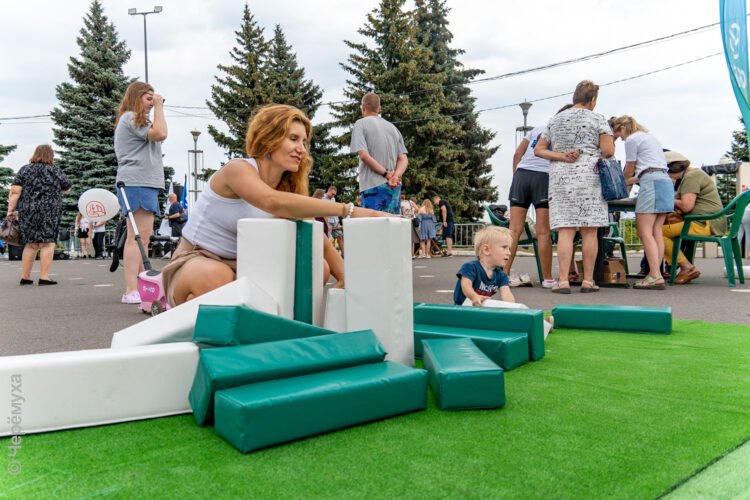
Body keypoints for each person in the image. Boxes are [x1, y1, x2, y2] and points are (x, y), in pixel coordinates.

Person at [162, 104, 389, 306]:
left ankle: (273, 328)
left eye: (304, 142)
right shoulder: (237, 169)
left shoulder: (288, 187)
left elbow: (314, 233)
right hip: (198, 259)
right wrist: (348, 210)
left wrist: (343, 276)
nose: (302, 149)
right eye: (293, 139)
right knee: (216, 277)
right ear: (269, 138)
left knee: (318, 268)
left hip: (247, 266)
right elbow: (271, 201)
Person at [534, 80, 615, 293]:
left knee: (565, 230)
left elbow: (539, 149)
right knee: (589, 231)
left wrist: (562, 155)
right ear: (593, 99)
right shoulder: (597, 118)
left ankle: (562, 281)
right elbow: (608, 151)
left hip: (560, 177)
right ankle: (588, 280)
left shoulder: (556, 119)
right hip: (589, 177)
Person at [505, 106, 575, 289]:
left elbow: (517, 153)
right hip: (543, 177)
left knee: (514, 229)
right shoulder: (565, 132)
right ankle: (547, 278)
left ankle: (503, 275)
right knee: (543, 231)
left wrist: (516, 175)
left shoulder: (537, 129)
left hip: (522, 175)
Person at [114, 81, 167, 304]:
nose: (152, 103)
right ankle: (130, 289)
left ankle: (140, 286)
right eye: (148, 98)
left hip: (145, 183)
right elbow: (161, 133)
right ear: (137, 98)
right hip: (136, 182)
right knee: (136, 238)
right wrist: (160, 107)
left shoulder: (139, 121)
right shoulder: (130, 118)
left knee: (143, 238)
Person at [610, 115, 673, 290]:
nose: (621, 140)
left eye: (618, 136)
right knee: (656, 231)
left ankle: (654, 276)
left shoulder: (632, 139)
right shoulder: (650, 137)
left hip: (651, 183)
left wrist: (619, 183)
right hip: (664, 181)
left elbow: (630, 168)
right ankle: (655, 273)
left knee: (644, 231)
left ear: (622, 128)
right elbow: (645, 171)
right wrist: (627, 181)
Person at [6, 145, 71, 285]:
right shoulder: (55, 170)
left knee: (31, 244)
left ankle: (25, 277)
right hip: (50, 210)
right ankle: (44, 277)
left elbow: (15, 192)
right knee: (47, 243)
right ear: (51, 156)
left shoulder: (24, 169)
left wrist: (10, 210)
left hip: (28, 210)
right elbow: (67, 187)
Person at [662, 151, 726, 284]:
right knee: (658, 231)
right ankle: (683, 267)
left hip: (705, 223)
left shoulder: (691, 177)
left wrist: (665, 198)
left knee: (656, 233)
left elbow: (686, 206)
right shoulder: (694, 174)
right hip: (707, 221)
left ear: (672, 169)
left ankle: (686, 267)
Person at [350, 93, 408, 215]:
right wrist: (395, 176)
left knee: (374, 225)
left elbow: (364, 156)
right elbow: (403, 158)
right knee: (392, 224)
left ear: (363, 108)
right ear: (379, 108)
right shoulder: (393, 128)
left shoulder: (360, 124)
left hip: (373, 187)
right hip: (394, 188)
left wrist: (386, 174)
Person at [453, 225, 514, 306]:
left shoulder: (501, 276)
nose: (509, 253)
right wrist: (474, 296)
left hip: (481, 308)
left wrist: (513, 307)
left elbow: (506, 293)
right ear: (486, 250)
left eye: (509, 248)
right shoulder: (470, 267)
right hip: (462, 308)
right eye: (504, 247)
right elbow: (466, 285)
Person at [322, 186, 344, 256]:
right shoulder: (323, 198)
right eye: (332, 194)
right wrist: (327, 224)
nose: (333, 196)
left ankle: (344, 255)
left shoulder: (333, 199)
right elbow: (324, 213)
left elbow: (335, 211)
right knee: (326, 239)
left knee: (340, 236)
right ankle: (325, 256)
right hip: (327, 222)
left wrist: (338, 223)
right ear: (329, 190)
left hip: (335, 222)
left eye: (334, 195)